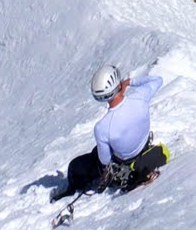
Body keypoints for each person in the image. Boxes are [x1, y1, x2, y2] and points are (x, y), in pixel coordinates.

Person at [51, 65, 168, 201]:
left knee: (76, 166)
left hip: (122, 163)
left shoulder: (102, 128)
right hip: (143, 147)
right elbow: (157, 80)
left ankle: (69, 193)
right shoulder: (140, 97)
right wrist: (129, 82)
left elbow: (105, 160)